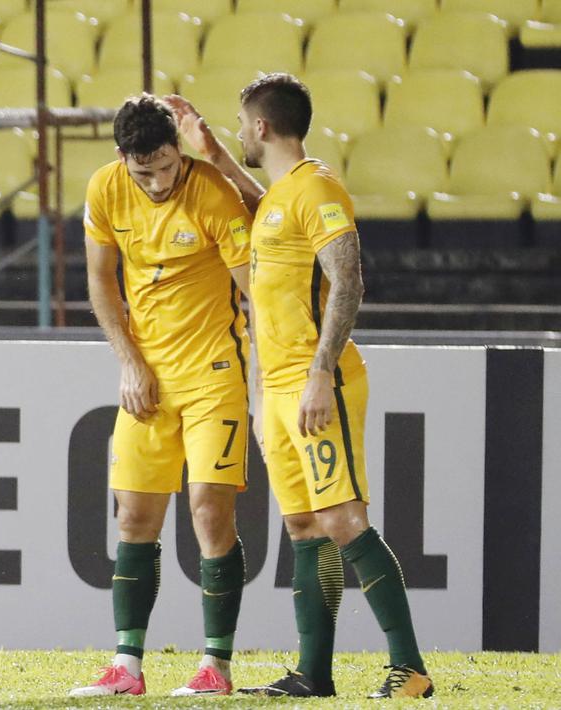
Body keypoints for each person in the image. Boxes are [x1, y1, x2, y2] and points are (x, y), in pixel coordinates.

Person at [165, 74, 434, 699]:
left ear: (262, 126)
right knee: (306, 528)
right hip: (279, 387)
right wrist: (212, 149)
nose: (238, 132)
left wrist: (318, 375)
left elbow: (348, 281)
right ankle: (313, 675)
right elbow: (271, 214)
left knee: (343, 517)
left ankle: (410, 668)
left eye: (239, 125)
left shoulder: (318, 187)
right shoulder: (285, 194)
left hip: (318, 382)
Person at [69, 94, 256, 698]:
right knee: (134, 518)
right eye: (143, 171)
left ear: (181, 151)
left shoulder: (212, 192)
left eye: (167, 168)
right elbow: (100, 280)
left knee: (208, 509)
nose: (156, 182)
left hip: (214, 371)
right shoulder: (105, 188)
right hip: (147, 378)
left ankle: (216, 666)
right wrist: (129, 363)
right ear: (123, 158)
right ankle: (126, 667)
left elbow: (253, 282)